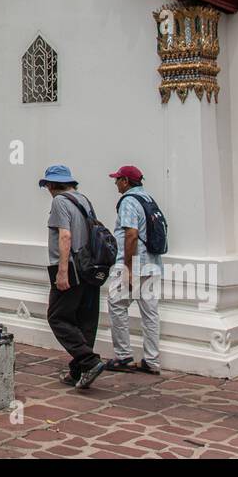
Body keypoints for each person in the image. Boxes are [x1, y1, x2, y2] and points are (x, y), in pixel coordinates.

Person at [40, 164, 106, 389]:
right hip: (89, 266)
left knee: (57, 316)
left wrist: (62, 271)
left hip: (70, 266)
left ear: (51, 185)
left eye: (48, 185)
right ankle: (79, 371)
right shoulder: (83, 199)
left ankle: (88, 361)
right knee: (84, 319)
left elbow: (65, 236)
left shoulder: (59, 201)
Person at [104, 165, 163, 374]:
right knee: (150, 313)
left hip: (134, 264)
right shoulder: (148, 199)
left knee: (116, 305)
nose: (115, 183)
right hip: (152, 264)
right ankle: (152, 360)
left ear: (126, 182)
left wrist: (128, 268)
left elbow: (131, 234)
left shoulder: (129, 201)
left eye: (117, 179)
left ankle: (123, 356)